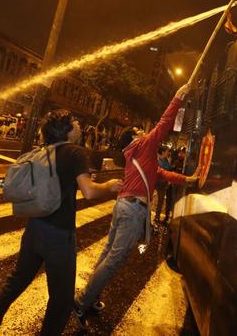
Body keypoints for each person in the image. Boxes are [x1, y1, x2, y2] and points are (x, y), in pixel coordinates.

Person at [0, 109, 123, 336]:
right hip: (59, 236)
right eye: (75, 122)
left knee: (15, 282)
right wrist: (110, 185)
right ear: (66, 130)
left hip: (34, 228)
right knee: (61, 299)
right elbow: (89, 192)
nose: (79, 126)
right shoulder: (76, 153)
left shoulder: (44, 151)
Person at [74, 84, 197, 328]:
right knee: (114, 260)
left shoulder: (138, 154)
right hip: (132, 210)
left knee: (108, 254)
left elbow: (160, 173)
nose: (144, 131)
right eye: (140, 130)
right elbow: (163, 125)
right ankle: (82, 301)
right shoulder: (144, 145)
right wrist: (178, 97)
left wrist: (187, 180)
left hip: (123, 206)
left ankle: (90, 296)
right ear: (134, 137)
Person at [154, 145, 172, 225]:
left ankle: (157, 217)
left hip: (163, 183)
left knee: (160, 201)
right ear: (163, 152)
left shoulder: (166, 160)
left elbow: (168, 171)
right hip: (154, 182)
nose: (168, 152)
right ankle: (145, 216)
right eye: (167, 151)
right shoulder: (155, 159)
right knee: (148, 199)